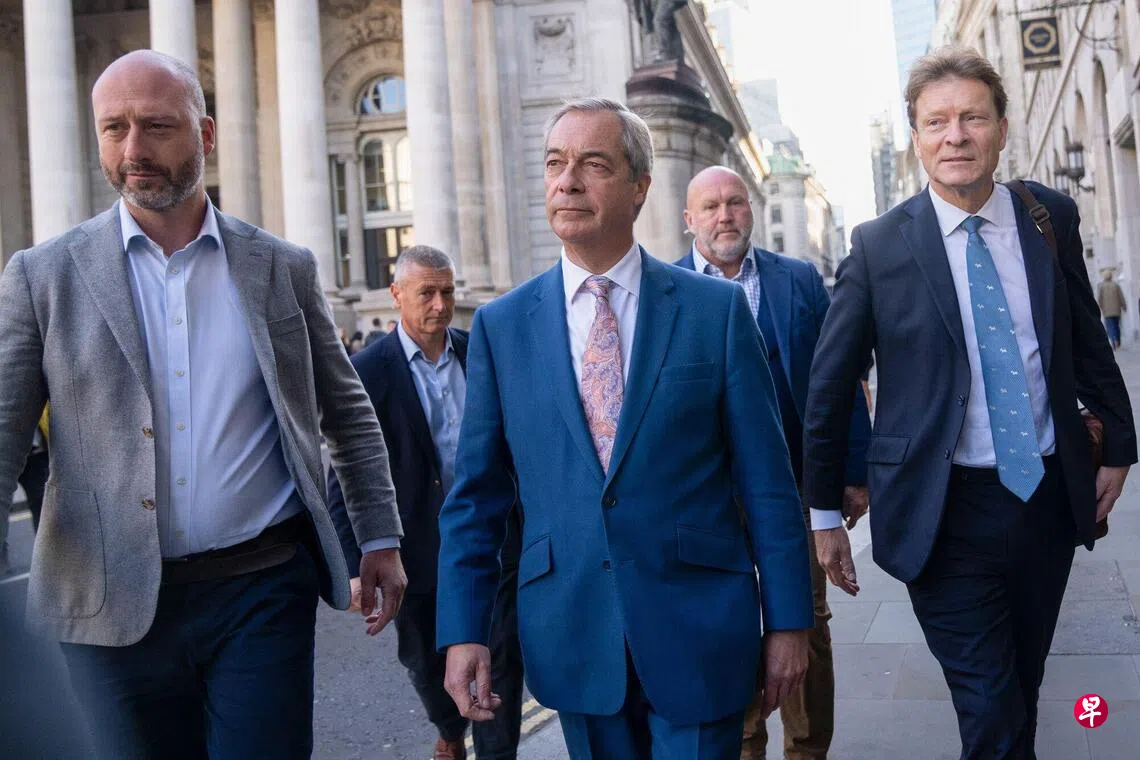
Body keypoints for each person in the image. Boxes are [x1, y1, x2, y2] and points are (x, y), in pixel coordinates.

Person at [0, 50, 408, 759]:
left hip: (260, 588)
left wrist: (380, 537)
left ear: (206, 135)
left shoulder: (281, 266)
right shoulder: (43, 275)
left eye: (156, 126)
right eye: (114, 128)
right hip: (105, 606)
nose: (134, 149)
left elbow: (347, 413)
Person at [435, 97, 814, 760]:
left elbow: (768, 484)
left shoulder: (715, 311)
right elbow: (476, 498)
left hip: (700, 626)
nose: (567, 181)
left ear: (640, 186)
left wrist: (788, 621)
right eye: (555, 163)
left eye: (593, 164)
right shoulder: (502, 327)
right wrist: (463, 630)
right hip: (574, 631)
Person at [803, 46, 1136, 759]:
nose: (955, 136)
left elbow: (1085, 336)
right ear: (916, 138)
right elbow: (830, 384)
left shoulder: (1048, 218)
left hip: (1045, 497)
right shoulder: (879, 245)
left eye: (973, 118)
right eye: (937, 122)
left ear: (1001, 130)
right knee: (989, 703)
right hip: (940, 509)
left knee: (1020, 687)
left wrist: (1120, 444)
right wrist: (824, 513)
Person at [675, 165, 872, 760]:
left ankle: (808, 750)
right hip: (711, 497)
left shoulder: (799, 279)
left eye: (735, 203)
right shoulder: (666, 290)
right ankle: (745, 747)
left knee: (806, 619)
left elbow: (839, 376)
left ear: (752, 209)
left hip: (795, 488)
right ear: (689, 219)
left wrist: (854, 472)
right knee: (729, 626)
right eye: (710, 207)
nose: (724, 216)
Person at [327, 246, 525, 760]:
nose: (441, 304)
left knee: (500, 661)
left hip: (493, 543)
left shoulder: (480, 353)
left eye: (448, 292)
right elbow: (344, 479)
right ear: (396, 295)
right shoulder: (367, 372)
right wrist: (353, 566)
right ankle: (449, 730)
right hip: (416, 552)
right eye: (427, 293)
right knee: (425, 662)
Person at [1097, 269, 1126, 350]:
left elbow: (1100, 299)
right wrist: (1124, 306)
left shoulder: (1101, 286)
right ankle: (1118, 341)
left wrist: (1099, 307)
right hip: (1116, 310)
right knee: (1116, 326)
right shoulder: (1116, 285)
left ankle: (1114, 341)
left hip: (1107, 311)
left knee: (1110, 327)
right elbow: (1121, 296)